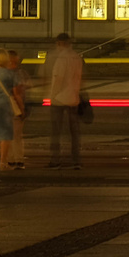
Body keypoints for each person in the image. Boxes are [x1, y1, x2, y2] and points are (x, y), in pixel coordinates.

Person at [46, 32, 85, 169]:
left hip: (59, 99)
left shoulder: (62, 58)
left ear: (60, 43)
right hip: (74, 98)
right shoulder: (76, 57)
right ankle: (76, 160)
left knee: (56, 131)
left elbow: (58, 79)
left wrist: (53, 95)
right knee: (74, 131)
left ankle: (55, 160)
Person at [6, 49, 30, 169]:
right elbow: (18, 94)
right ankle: (18, 160)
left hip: (3, 108)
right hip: (15, 107)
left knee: (8, 136)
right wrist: (22, 109)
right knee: (17, 136)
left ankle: (10, 160)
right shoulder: (20, 73)